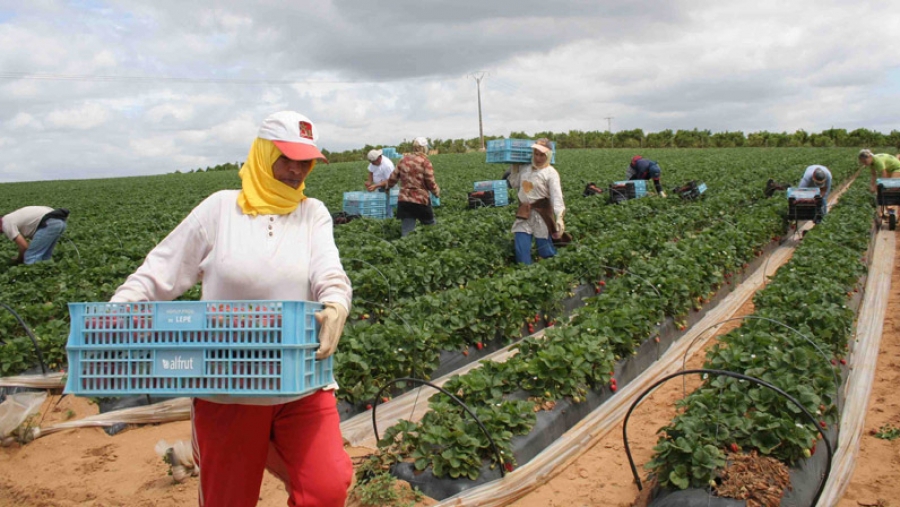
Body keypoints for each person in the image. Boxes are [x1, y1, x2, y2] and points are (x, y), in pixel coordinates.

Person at [109, 111, 353, 507]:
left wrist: (337, 302)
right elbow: (159, 273)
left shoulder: (313, 213)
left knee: (327, 487)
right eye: (286, 157)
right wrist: (115, 314)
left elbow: (330, 272)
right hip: (229, 387)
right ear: (262, 153)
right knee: (229, 498)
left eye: (304, 161)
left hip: (301, 381)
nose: (295, 170)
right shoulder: (221, 210)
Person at [507, 138, 566, 265]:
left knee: (545, 250)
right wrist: (514, 168)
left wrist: (560, 217)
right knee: (521, 248)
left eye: (542, 155)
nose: (538, 158)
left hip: (541, 214)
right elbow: (514, 183)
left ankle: (553, 271)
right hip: (524, 212)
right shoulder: (525, 168)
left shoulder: (551, 173)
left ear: (548, 155)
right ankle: (525, 272)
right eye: (536, 154)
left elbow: (557, 196)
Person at [386, 136, 440, 236]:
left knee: (407, 231)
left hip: (405, 200)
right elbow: (430, 181)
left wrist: (388, 187)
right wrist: (436, 192)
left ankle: (405, 248)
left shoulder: (403, 160)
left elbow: (393, 178)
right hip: (420, 199)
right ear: (424, 148)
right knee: (430, 226)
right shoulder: (425, 162)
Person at [2, 206, 70, 265]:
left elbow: (24, 246)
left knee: (30, 257)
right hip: (60, 221)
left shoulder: (5, 223)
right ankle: (46, 275)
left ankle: (32, 277)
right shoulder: (9, 218)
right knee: (45, 256)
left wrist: (19, 259)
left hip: (49, 222)